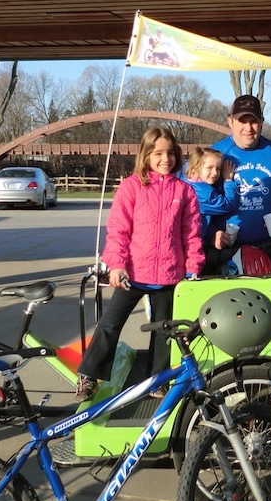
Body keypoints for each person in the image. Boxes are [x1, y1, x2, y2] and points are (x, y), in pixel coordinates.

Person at [75, 126, 205, 402]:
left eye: (170, 153)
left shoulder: (184, 192)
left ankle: (156, 381)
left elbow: (191, 233)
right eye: (157, 153)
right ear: (146, 155)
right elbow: (119, 229)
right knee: (110, 324)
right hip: (133, 273)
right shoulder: (131, 187)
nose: (165, 159)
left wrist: (193, 266)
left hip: (170, 275)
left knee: (164, 333)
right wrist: (117, 264)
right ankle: (88, 375)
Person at [212, 94, 271, 255]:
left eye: (253, 121)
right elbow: (195, 203)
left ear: (262, 122)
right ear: (230, 121)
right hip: (225, 250)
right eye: (242, 121)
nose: (248, 128)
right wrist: (210, 235)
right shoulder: (215, 154)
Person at [183, 147, 239, 273]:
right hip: (191, 249)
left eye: (218, 169)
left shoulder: (187, 183)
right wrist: (229, 180)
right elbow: (227, 205)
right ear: (196, 168)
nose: (215, 173)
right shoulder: (203, 193)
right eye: (209, 168)